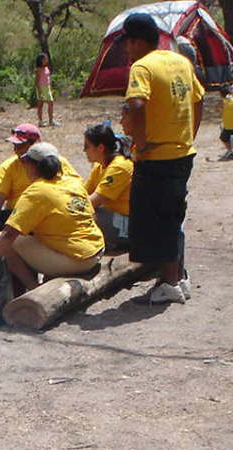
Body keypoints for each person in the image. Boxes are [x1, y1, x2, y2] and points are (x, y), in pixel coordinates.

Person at [124, 13, 203, 303]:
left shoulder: (142, 66)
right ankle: (177, 277)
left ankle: (170, 282)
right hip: (182, 152)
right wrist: (189, 135)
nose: (127, 49)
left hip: (156, 157)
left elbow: (136, 104)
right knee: (173, 214)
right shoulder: (181, 61)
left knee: (158, 220)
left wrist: (141, 143)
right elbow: (199, 98)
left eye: (128, 43)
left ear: (136, 41)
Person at [0, 143, 104, 290]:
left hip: (77, 261)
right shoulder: (72, 183)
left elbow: (8, 236)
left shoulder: (36, 191)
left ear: (33, 167)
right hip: (96, 251)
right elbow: (92, 217)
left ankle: (33, 289)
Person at [0, 123, 80, 237]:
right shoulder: (9, 166)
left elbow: (76, 190)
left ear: (35, 145)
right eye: (14, 146)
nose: (16, 150)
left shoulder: (58, 162)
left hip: (48, 213)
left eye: (20, 146)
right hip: (18, 214)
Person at [83, 122, 133, 253]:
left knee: (84, 217)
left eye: (87, 146)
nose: (84, 151)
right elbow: (83, 193)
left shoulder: (120, 167)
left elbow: (93, 201)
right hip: (112, 218)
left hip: (128, 226)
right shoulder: (99, 166)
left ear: (100, 148)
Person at [35, 53, 60, 127]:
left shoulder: (46, 68)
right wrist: (39, 91)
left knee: (50, 103)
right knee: (41, 104)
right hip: (42, 87)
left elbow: (48, 78)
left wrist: (50, 87)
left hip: (47, 87)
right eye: (45, 59)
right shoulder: (39, 69)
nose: (46, 60)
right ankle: (41, 121)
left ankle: (51, 120)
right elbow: (37, 81)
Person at [218, 84, 233, 161]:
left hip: (228, 126)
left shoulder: (223, 101)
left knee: (223, 138)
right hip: (228, 125)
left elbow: (217, 108)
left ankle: (231, 151)